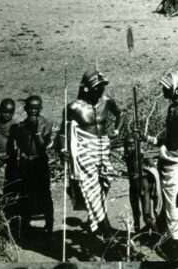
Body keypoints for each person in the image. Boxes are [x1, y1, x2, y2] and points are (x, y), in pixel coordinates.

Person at [56, 70, 123, 237]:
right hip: (84, 153)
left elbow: (120, 114)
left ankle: (96, 221)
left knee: (104, 184)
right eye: (97, 88)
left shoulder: (106, 101)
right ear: (86, 89)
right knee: (92, 188)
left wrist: (116, 130)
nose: (100, 91)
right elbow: (62, 133)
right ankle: (107, 232)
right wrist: (63, 149)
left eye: (102, 88)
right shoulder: (73, 108)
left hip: (103, 150)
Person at [145, 71, 178, 261]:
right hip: (168, 165)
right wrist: (147, 138)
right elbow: (169, 139)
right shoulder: (171, 110)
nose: (162, 90)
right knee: (171, 216)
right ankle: (174, 257)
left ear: (176, 90)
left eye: (166, 88)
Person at [6, 95, 54, 235]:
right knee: (26, 193)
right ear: (26, 109)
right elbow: (16, 145)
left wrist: (35, 129)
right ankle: (26, 225)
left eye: (36, 108)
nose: (33, 111)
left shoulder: (46, 123)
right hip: (26, 164)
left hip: (40, 162)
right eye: (30, 108)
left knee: (45, 193)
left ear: (41, 108)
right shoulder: (20, 126)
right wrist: (21, 155)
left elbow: (42, 145)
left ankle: (49, 224)